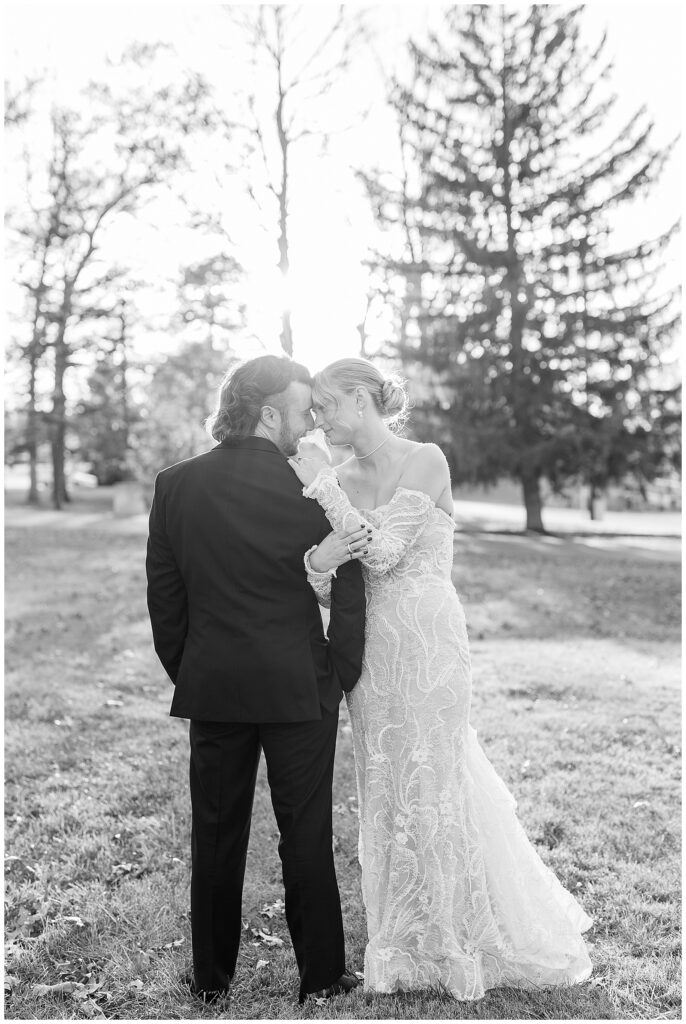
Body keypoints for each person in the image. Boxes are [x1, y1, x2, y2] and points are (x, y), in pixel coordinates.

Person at [289, 357, 593, 1000]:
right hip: (370, 655)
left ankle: (455, 942)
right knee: (387, 791)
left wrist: (323, 489)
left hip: (429, 646)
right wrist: (317, 560)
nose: (317, 418)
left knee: (433, 782)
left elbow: (385, 553)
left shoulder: (424, 459)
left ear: (364, 400)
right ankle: (400, 941)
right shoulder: (335, 476)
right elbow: (330, 580)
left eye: (326, 403)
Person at [146, 354, 368, 1006]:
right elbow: (352, 564)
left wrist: (191, 669)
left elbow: (166, 598)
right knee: (305, 834)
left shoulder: (176, 484)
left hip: (215, 684)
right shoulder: (314, 487)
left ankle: (210, 980)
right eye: (302, 409)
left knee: (215, 834)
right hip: (301, 683)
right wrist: (342, 665)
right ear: (269, 411)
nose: (309, 423)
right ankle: (324, 976)